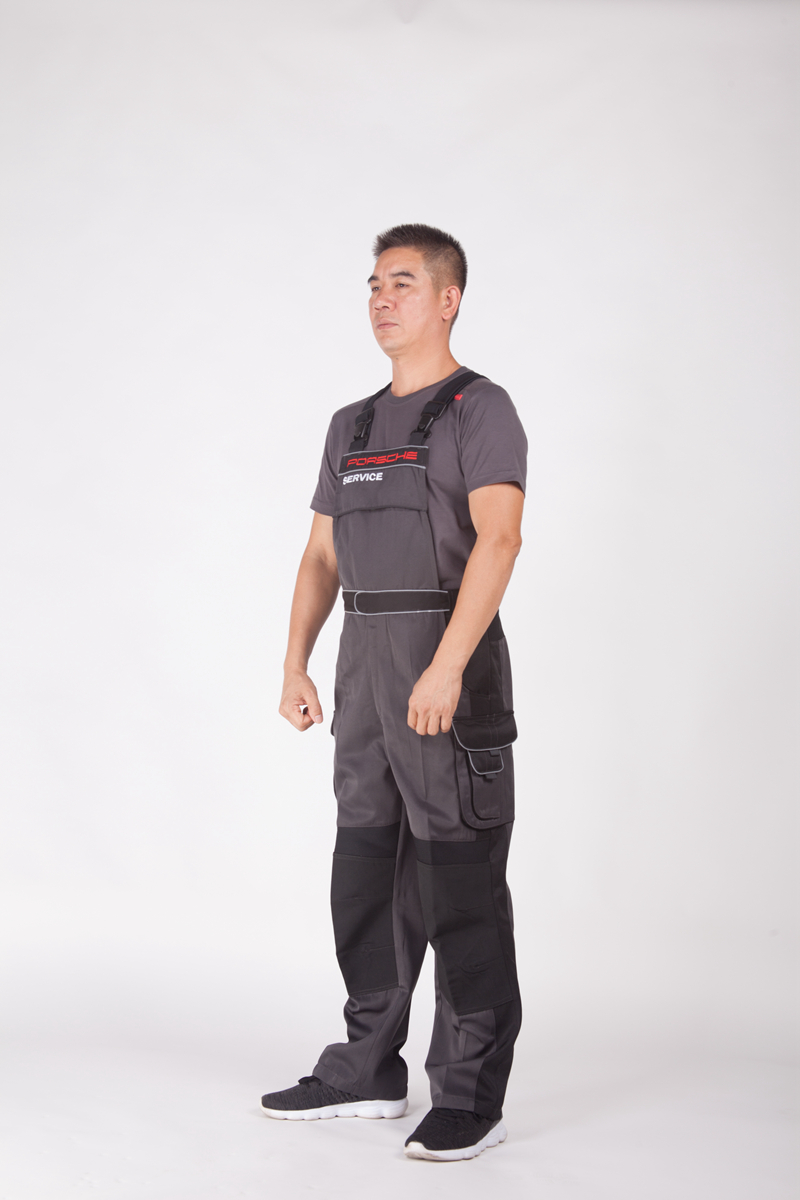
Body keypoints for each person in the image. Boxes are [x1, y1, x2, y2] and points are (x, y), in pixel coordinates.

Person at [260, 224, 527, 1162]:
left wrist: (448, 665)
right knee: (367, 867)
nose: (382, 299)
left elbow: (500, 539)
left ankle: (471, 1094)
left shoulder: (479, 409)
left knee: (459, 877)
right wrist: (295, 663)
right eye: (374, 284)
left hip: (447, 656)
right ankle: (366, 1068)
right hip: (363, 666)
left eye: (403, 284)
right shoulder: (353, 425)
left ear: (448, 299)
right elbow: (320, 556)